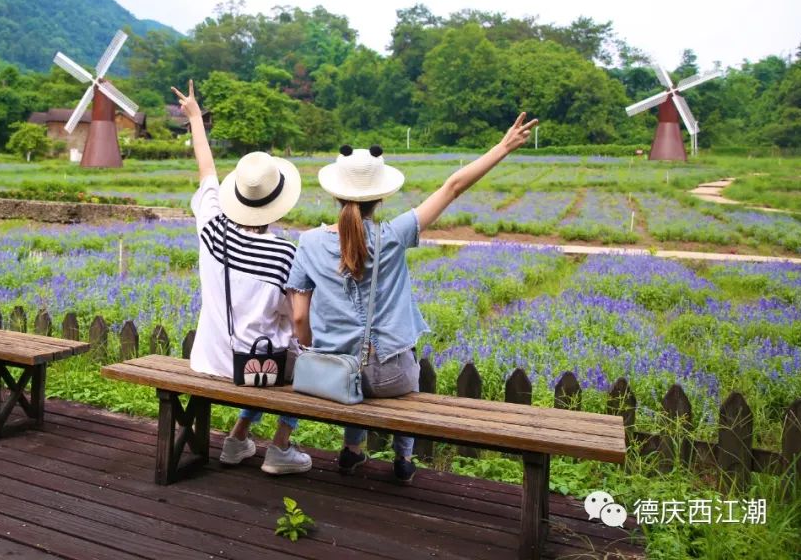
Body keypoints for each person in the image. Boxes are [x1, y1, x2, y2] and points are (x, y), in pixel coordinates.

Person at [286, 113, 538, 485]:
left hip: (332, 374)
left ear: (335, 193)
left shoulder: (308, 242)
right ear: (381, 197)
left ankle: (352, 452)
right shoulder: (394, 234)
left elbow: (298, 320)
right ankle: (403, 459)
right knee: (407, 366)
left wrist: (311, 349)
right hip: (392, 377)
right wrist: (501, 147)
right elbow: (452, 187)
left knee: (353, 373)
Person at [173, 79, 313, 475]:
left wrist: (195, 118)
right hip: (257, 369)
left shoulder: (212, 226)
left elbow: (206, 171)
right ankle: (280, 448)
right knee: (303, 354)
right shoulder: (285, 252)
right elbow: (295, 318)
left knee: (274, 346)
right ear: (278, 203)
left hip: (210, 359)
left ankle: (236, 440)